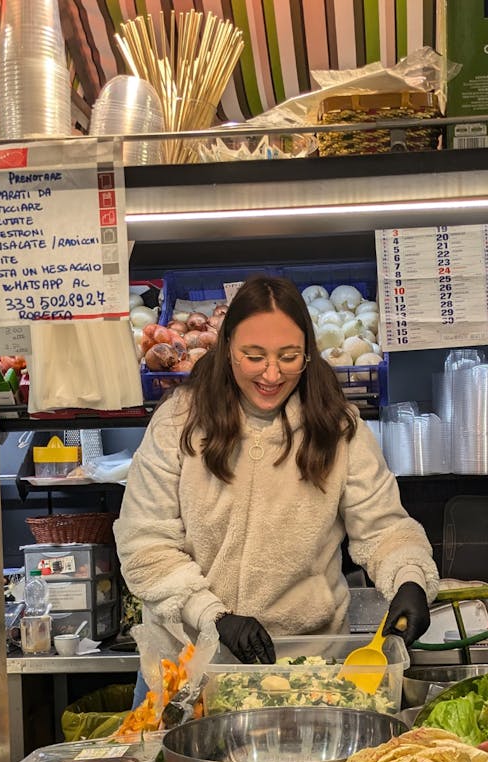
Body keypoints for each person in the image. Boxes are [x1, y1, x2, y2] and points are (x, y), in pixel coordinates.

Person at [115, 275, 439, 705]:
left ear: (308, 353)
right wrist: (213, 616)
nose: (272, 374)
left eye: (289, 357)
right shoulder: (179, 422)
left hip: (309, 677)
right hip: (190, 673)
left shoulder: (337, 427)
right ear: (227, 347)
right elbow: (146, 546)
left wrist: (410, 578)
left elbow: (383, 530)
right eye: (254, 356)